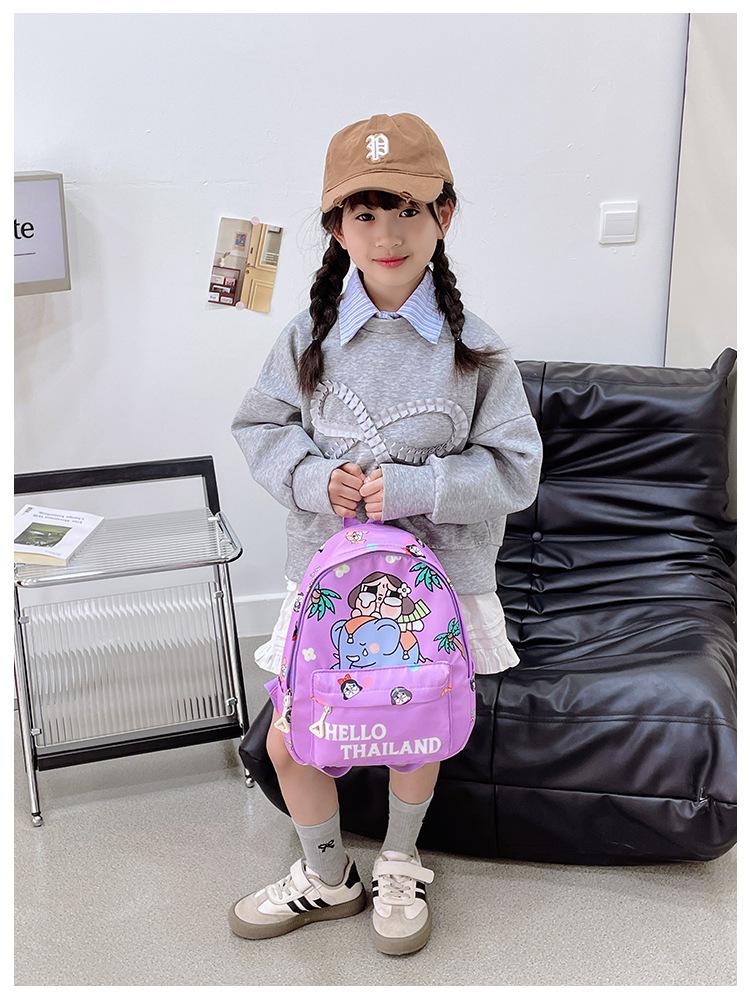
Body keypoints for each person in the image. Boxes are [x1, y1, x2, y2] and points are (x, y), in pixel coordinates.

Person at [228, 112, 543, 955]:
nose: (388, 234)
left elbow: (517, 470)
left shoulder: (478, 351)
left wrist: (415, 486)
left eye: (407, 209)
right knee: (293, 738)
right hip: (325, 583)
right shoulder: (307, 337)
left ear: (445, 215)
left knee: (415, 732)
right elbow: (260, 427)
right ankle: (328, 875)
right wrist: (312, 478)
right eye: (364, 213)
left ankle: (399, 864)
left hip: (436, 590)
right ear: (337, 227)